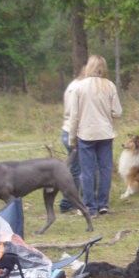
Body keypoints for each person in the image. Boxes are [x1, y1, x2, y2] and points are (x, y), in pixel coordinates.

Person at [68, 55, 122, 217]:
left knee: (88, 172)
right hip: (105, 133)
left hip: (86, 134)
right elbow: (117, 112)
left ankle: (89, 207)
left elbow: (74, 116)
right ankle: (103, 204)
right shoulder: (110, 86)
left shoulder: (79, 87)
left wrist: (72, 138)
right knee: (105, 170)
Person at [59, 66, 85, 213]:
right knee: (76, 170)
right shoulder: (79, 87)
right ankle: (68, 202)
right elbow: (76, 113)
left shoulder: (72, 86)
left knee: (74, 168)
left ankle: (70, 200)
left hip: (67, 129)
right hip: (73, 131)